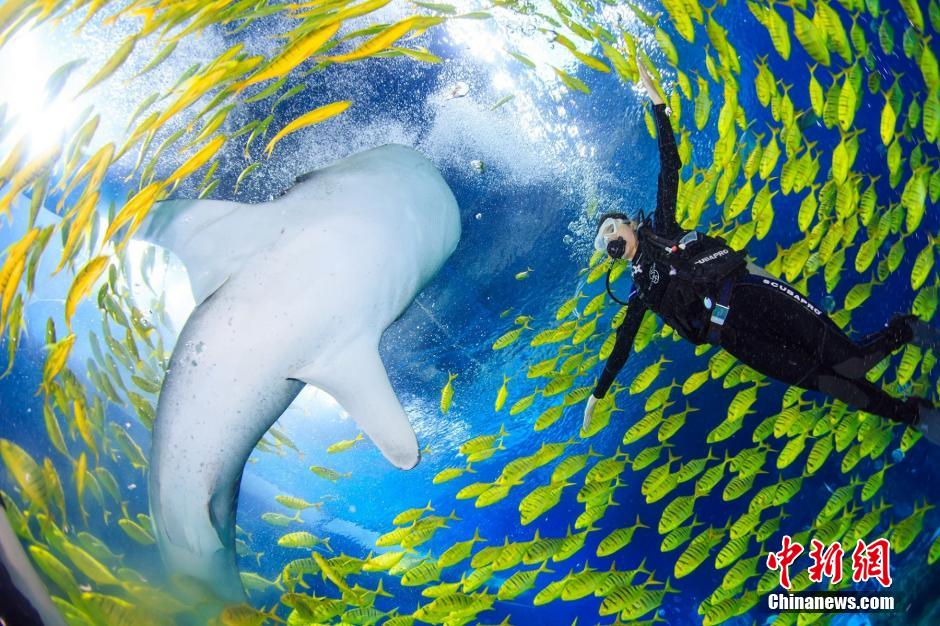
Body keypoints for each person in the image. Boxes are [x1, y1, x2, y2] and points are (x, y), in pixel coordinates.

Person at [581, 62, 940, 444]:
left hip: (749, 293)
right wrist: (596, 394)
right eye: (603, 244)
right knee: (834, 385)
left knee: (851, 364)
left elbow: (670, 166)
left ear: (628, 224)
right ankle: (914, 414)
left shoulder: (661, 228)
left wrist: (658, 103)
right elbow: (621, 346)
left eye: (609, 229)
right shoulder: (640, 294)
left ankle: (905, 329)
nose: (608, 241)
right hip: (737, 339)